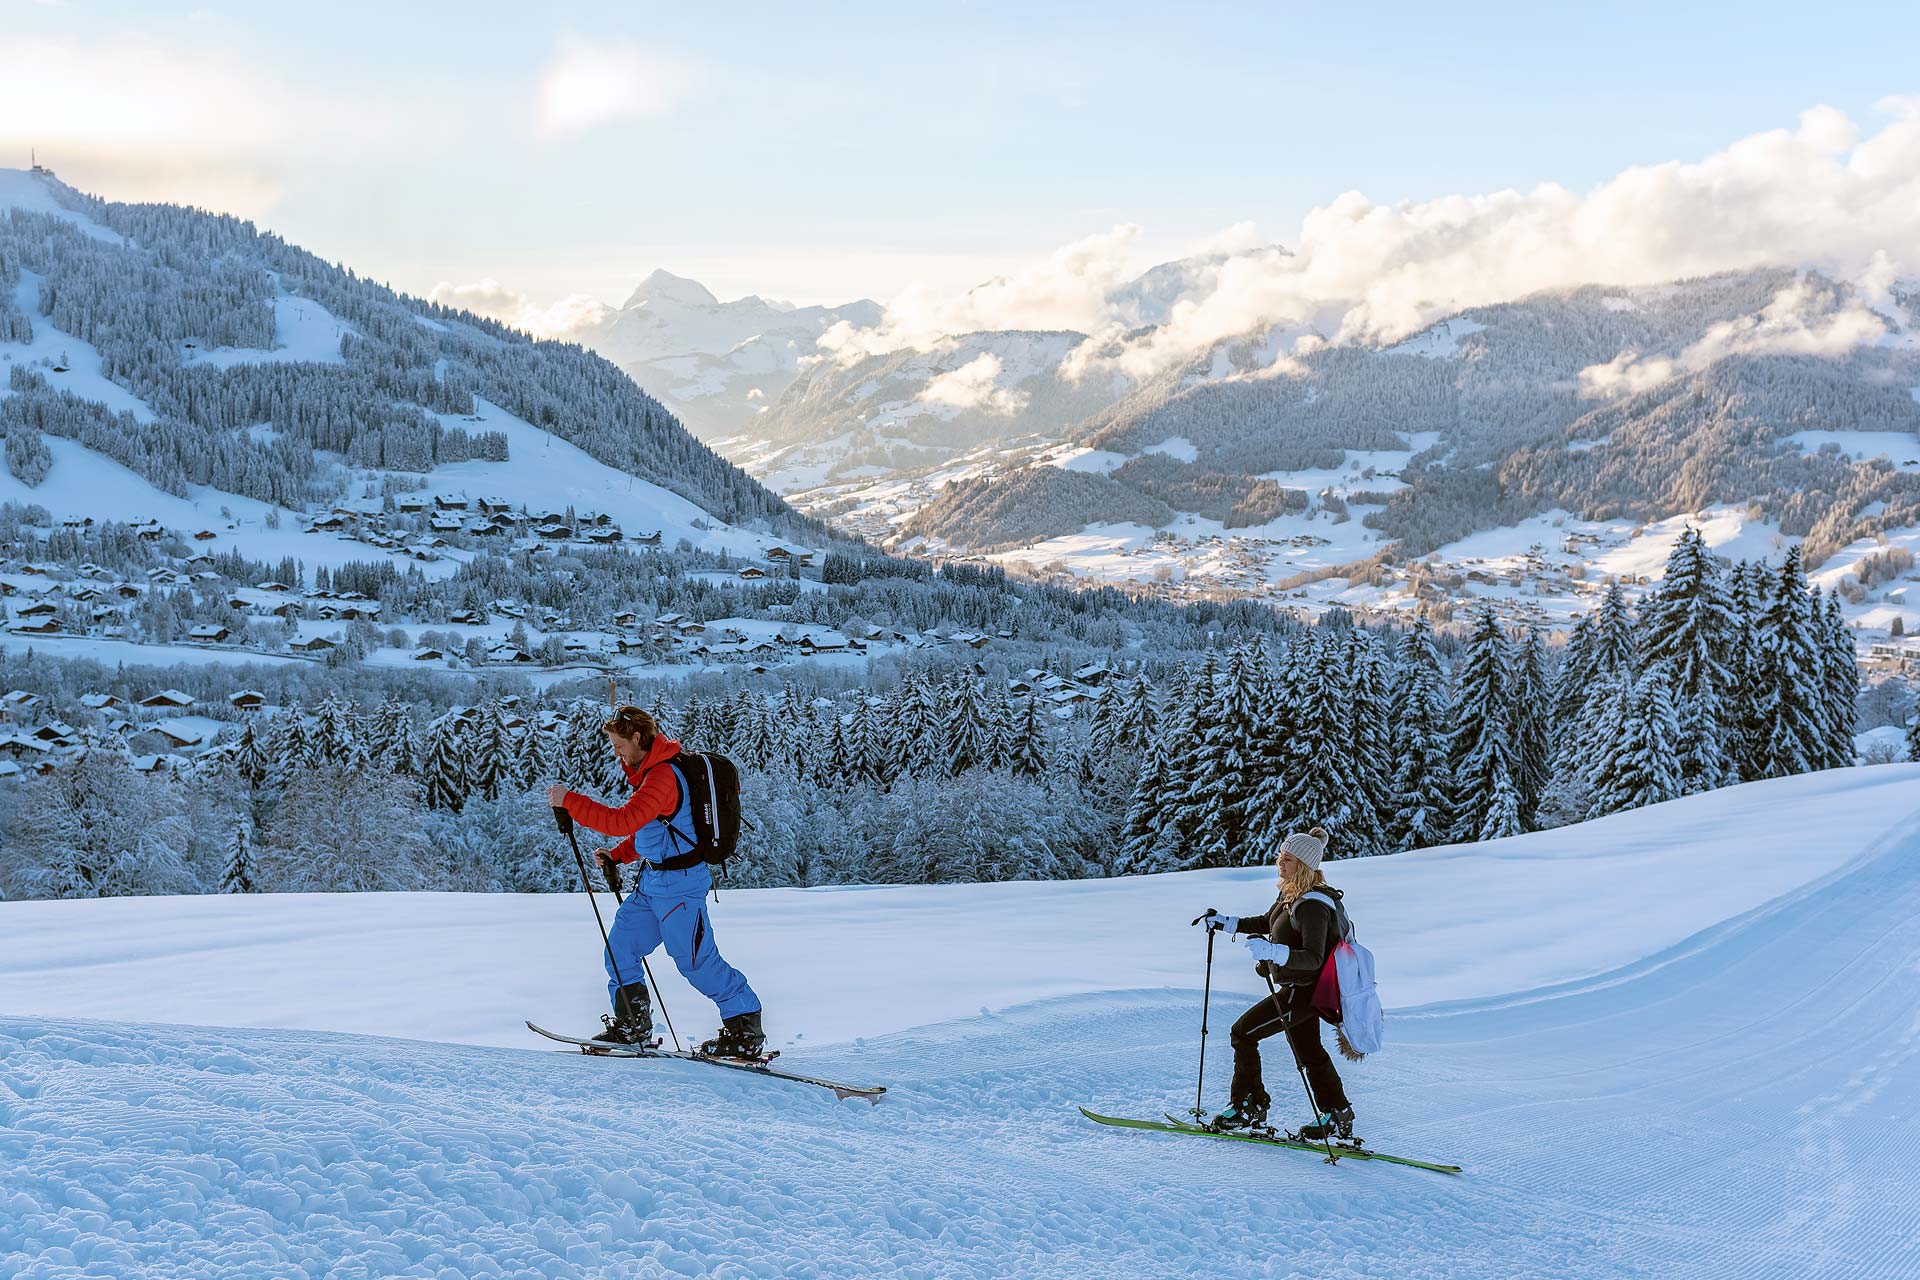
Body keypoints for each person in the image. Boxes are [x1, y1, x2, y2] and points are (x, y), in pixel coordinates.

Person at [547, 706, 765, 1058]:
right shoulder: (649, 775)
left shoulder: (663, 776)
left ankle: (745, 1027)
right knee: (620, 950)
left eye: (619, 746)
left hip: (680, 885)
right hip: (652, 884)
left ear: (637, 737)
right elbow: (650, 830)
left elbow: (623, 820)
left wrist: (570, 802)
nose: (616, 753)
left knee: (696, 962)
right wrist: (618, 856)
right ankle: (633, 1026)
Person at [1196, 826, 1355, 1140]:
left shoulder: (1313, 906)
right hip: (1295, 989)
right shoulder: (1289, 895)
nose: (1281, 864)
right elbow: (1267, 922)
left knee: (1242, 1033)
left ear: (1305, 866)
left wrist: (1273, 952)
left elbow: (1313, 958)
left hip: (1305, 993)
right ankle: (1338, 1112)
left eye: (1289, 860)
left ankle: (1248, 1106)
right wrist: (1227, 922)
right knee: (1308, 1050)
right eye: (1281, 857)